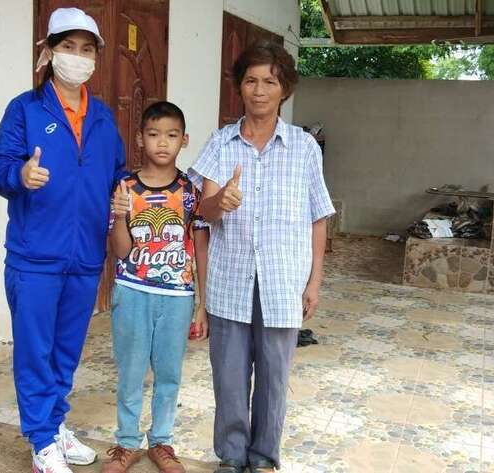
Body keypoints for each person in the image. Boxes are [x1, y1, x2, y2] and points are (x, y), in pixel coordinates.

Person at [0, 7, 127, 473]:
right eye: (68, 47)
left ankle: (55, 425)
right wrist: (20, 175)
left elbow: (117, 172)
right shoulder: (25, 109)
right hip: (35, 257)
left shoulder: (102, 117)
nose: (77, 57)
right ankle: (41, 441)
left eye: (87, 49)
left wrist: (124, 195)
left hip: (85, 256)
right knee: (35, 352)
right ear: (48, 52)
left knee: (66, 352)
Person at [188, 41, 335, 473]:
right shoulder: (221, 143)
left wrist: (314, 281)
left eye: (269, 81)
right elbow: (203, 212)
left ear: (284, 88)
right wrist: (220, 202)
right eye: (250, 81)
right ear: (239, 87)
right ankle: (232, 457)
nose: (259, 90)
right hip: (230, 278)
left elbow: (318, 218)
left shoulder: (304, 147)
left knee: (274, 377)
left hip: (283, 281)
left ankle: (264, 458)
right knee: (229, 376)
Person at [101, 102, 209, 473]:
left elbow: (200, 245)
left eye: (172, 135)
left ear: (184, 140)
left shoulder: (191, 191)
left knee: (169, 373)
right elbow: (121, 251)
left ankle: (161, 441)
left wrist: (202, 302)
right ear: (139, 138)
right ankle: (127, 443)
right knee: (131, 371)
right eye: (153, 134)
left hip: (177, 296)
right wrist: (118, 215)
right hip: (132, 291)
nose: (162, 143)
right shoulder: (125, 187)